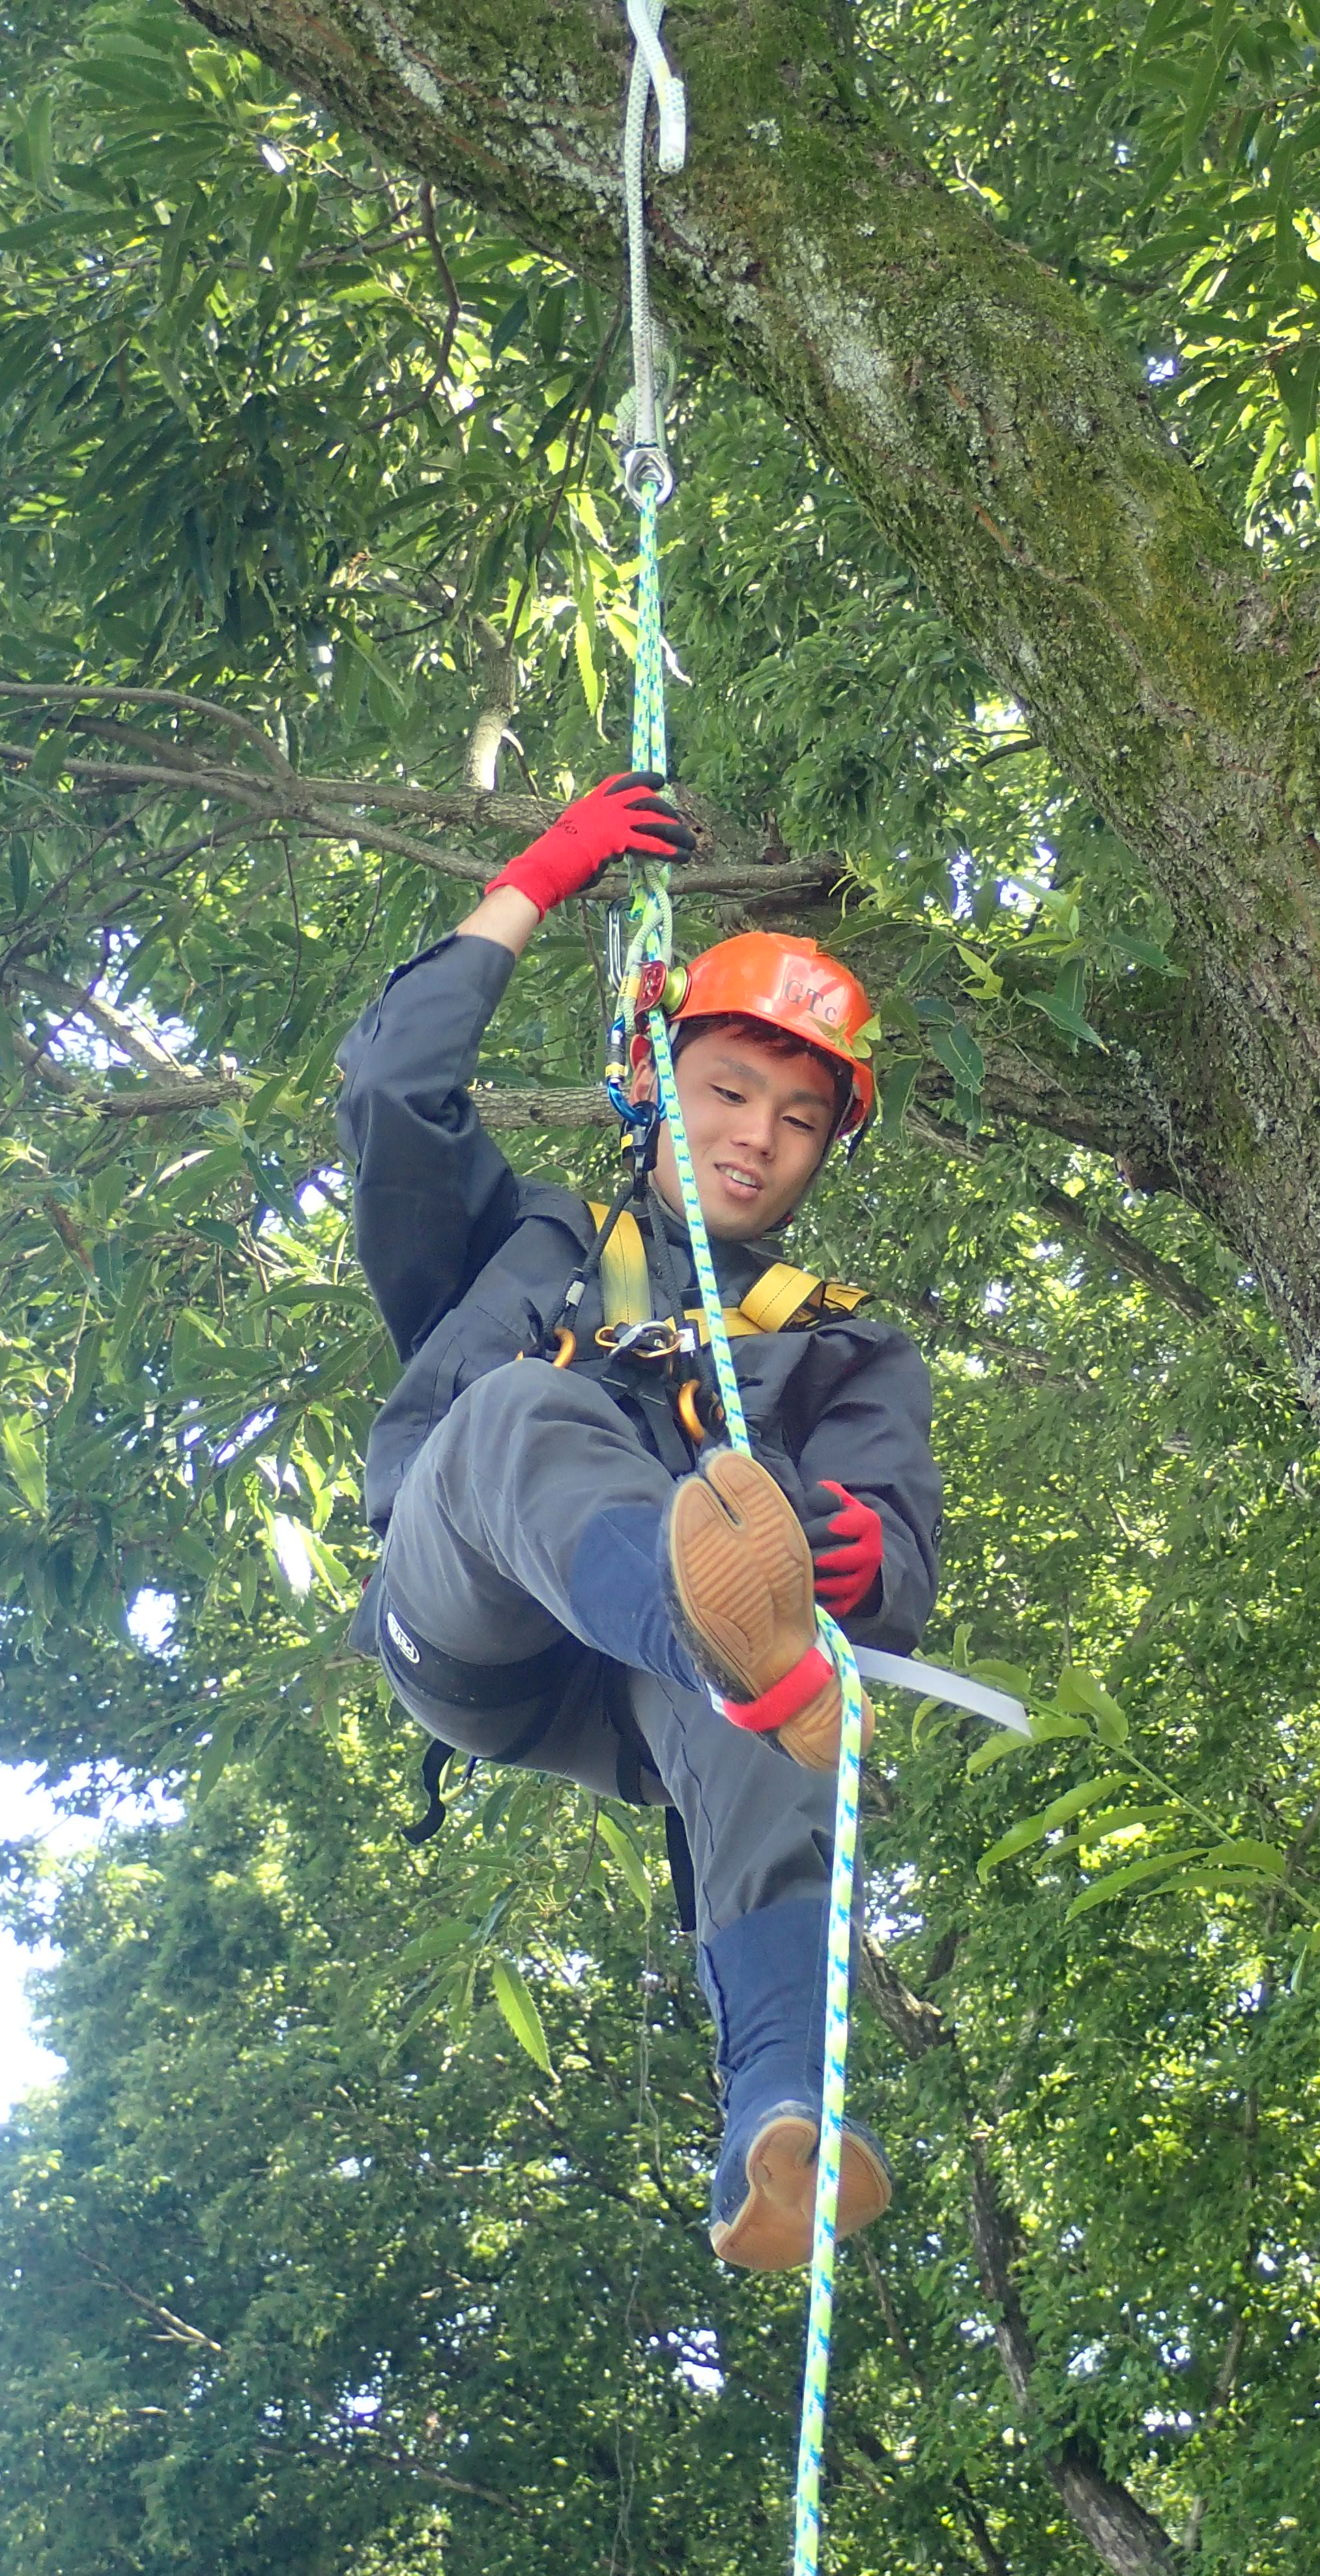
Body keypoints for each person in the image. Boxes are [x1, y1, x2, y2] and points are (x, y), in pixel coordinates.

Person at [336, 768, 943, 2273]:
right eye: (725, 1089)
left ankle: (782, 2127)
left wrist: (865, 1564)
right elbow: (391, 1100)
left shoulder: (845, 1344)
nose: (755, 1137)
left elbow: (901, 1554)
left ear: (826, 1151)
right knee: (521, 1419)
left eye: (801, 1119)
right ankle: (726, 1633)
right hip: (471, 1608)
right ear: (651, 1080)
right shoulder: (536, 1235)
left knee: (791, 1701)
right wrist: (536, 883)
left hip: (639, 1700)